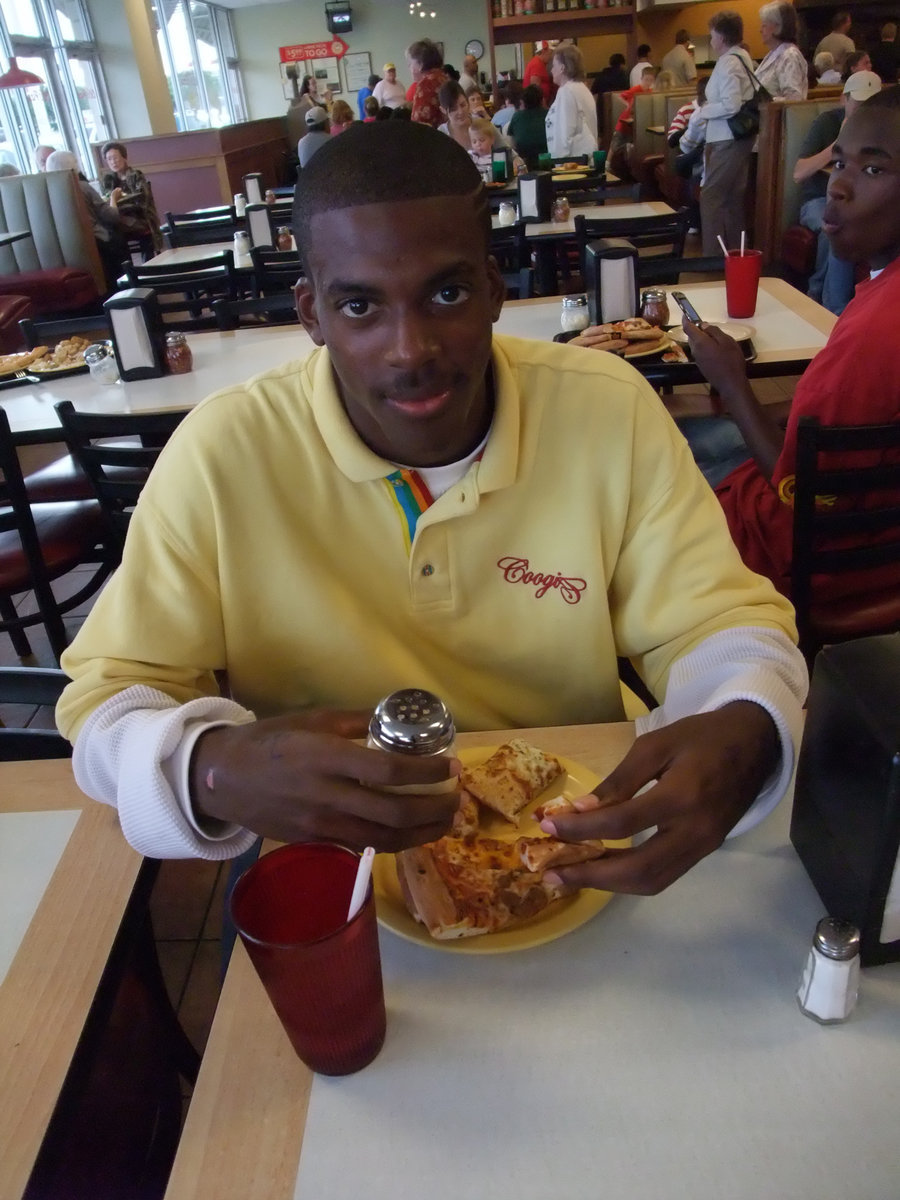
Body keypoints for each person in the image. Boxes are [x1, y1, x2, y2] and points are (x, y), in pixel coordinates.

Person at [55, 119, 805, 900]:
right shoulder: (222, 451)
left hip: (580, 840)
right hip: (328, 867)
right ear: (310, 313)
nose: (409, 349)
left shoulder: (607, 408)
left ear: (493, 288)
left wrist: (748, 716)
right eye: (359, 307)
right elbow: (106, 700)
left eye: (445, 293)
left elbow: (717, 621)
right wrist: (205, 764)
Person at [681, 87, 900, 610]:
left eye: (873, 170)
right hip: (877, 545)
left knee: (649, 468)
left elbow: (802, 493)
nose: (839, 187)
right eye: (840, 162)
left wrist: (732, 382)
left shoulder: (875, 331)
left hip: (813, 563)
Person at [793, 69, 881, 316]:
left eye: (871, 103)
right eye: (859, 103)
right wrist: (838, 144)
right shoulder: (827, 123)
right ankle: (832, 307)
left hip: (859, 204)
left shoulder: (879, 131)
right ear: (844, 99)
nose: (864, 110)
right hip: (817, 201)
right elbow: (798, 173)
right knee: (836, 225)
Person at [697, 11, 757, 258]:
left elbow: (731, 105)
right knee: (732, 199)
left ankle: (712, 260)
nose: (711, 41)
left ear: (720, 36)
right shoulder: (742, 58)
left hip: (727, 139)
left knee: (710, 196)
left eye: (712, 36)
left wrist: (704, 111)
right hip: (737, 139)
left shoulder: (729, 62)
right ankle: (735, 255)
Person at [45, 149, 128, 292]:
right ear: (73, 166)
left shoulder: (47, 190)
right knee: (119, 239)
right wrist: (114, 199)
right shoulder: (82, 187)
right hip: (95, 241)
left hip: (61, 247)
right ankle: (125, 289)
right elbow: (112, 217)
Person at [98, 140, 163, 253]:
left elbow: (142, 201)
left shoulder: (136, 175)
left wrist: (119, 204)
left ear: (124, 157)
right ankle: (125, 265)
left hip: (140, 217)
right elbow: (106, 200)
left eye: (115, 157)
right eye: (109, 159)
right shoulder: (108, 180)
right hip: (120, 218)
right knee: (109, 229)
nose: (113, 162)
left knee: (113, 229)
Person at [545, 44, 598, 160]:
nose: (552, 70)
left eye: (554, 66)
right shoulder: (582, 88)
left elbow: (565, 133)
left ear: (562, 68)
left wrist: (559, 164)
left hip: (572, 164)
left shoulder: (566, 91)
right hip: (585, 159)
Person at [608, 67, 655, 179]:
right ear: (641, 78)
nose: (648, 82)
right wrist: (627, 105)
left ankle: (633, 170)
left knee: (632, 142)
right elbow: (621, 96)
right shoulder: (636, 89)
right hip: (624, 121)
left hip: (637, 122)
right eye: (646, 79)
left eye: (650, 80)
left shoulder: (650, 92)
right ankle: (607, 163)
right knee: (615, 143)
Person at [756, 3, 808, 101]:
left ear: (778, 27)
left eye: (764, 25)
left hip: (779, 115)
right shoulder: (773, 53)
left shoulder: (790, 56)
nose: (760, 30)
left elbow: (795, 99)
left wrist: (767, 101)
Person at [467, 117, 525, 182]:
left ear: (492, 140)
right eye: (474, 142)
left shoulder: (497, 157)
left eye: (482, 140)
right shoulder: (472, 156)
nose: (478, 144)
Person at [407, 38, 447, 129]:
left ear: (420, 64)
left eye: (410, 64)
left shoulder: (425, 85)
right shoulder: (444, 78)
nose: (409, 68)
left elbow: (418, 125)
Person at [507, 83, 548, 169]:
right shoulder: (549, 114)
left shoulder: (517, 116)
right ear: (542, 100)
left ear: (523, 101)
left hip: (524, 163)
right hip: (547, 160)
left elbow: (511, 142)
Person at [438, 79, 474, 151]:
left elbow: (502, 150)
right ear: (443, 110)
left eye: (463, 105)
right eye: (453, 109)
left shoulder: (483, 125)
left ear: (468, 102)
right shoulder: (441, 134)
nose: (460, 112)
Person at [523, 41, 555, 107]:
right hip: (537, 106)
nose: (551, 56)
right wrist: (544, 109)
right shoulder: (537, 64)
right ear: (544, 51)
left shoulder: (539, 63)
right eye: (550, 52)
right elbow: (535, 91)